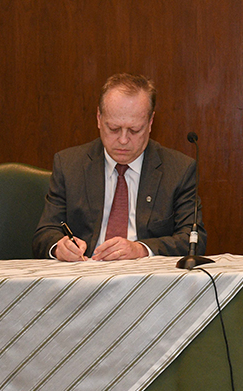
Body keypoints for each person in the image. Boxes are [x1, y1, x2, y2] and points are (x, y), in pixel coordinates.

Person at [32, 73, 204, 261]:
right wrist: (59, 247)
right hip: (85, 277)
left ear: (150, 123)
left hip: (146, 279)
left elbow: (193, 239)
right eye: (113, 129)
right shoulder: (69, 164)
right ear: (99, 118)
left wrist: (141, 249)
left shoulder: (178, 170)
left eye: (134, 130)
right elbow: (45, 233)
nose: (123, 140)